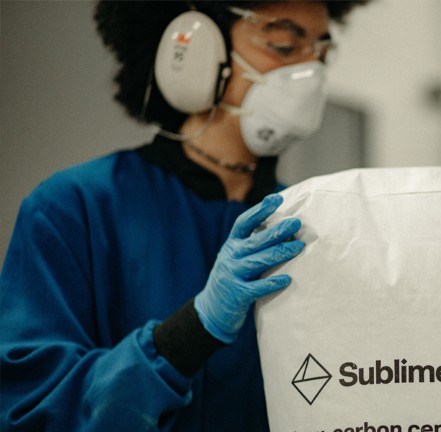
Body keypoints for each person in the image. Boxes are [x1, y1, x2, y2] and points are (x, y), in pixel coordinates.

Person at [0, 1, 368, 430]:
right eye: (284, 45)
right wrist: (191, 332)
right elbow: (31, 408)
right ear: (195, 51)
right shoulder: (73, 208)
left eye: (322, 52)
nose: (311, 72)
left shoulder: (308, 224)